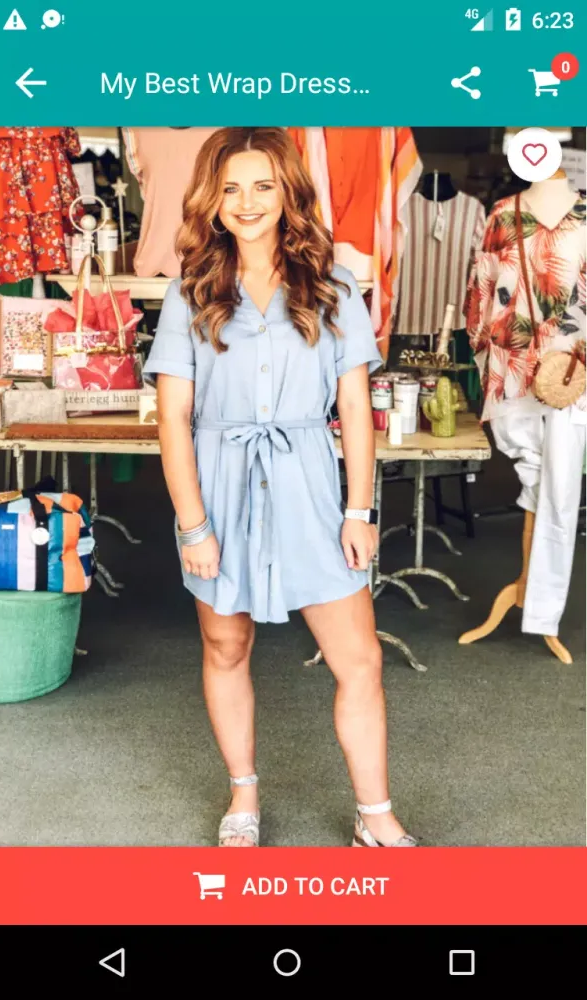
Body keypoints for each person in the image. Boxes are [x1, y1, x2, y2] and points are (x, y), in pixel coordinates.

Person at [143, 127, 417, 848]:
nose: (247, 202)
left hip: (310, 488)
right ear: (211, 199)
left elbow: (354, 407)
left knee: (360, 659)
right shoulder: (189, 292)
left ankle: (375, 814)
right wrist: (193, 524)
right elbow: (173, 417)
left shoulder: (334, 287)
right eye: (231, 188)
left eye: (263, 185)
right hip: (219, 490)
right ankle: (244, 794)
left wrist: (359, 509)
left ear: (289, 192)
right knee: (225, 647)